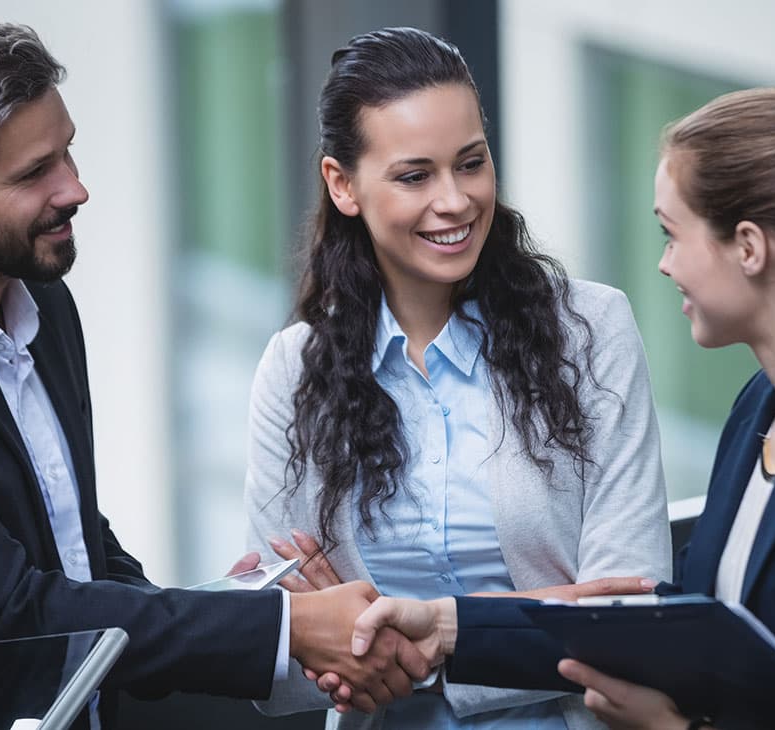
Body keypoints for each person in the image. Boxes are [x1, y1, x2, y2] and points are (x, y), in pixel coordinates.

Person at [0, 18, 426, 730]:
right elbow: (13, 613)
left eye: (67, 152)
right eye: (34, 173)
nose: (75, 188)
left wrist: (226, 609)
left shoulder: (41, 299)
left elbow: (77, 545)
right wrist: (282, 626)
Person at [343, 87, 775, 729]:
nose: (662, 263)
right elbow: (682, 627)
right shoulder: (762, 408)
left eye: (671, 234)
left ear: (748, 247)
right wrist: (448, 626)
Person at [244, 27, 671, 728]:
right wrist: (546, 611)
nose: (456, 201)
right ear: (343, 184)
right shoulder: (292, 373)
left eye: (471, 163)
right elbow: (285, 657)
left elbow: (626, 619)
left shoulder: (592, 333)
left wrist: (420, 638)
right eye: (415, 176)